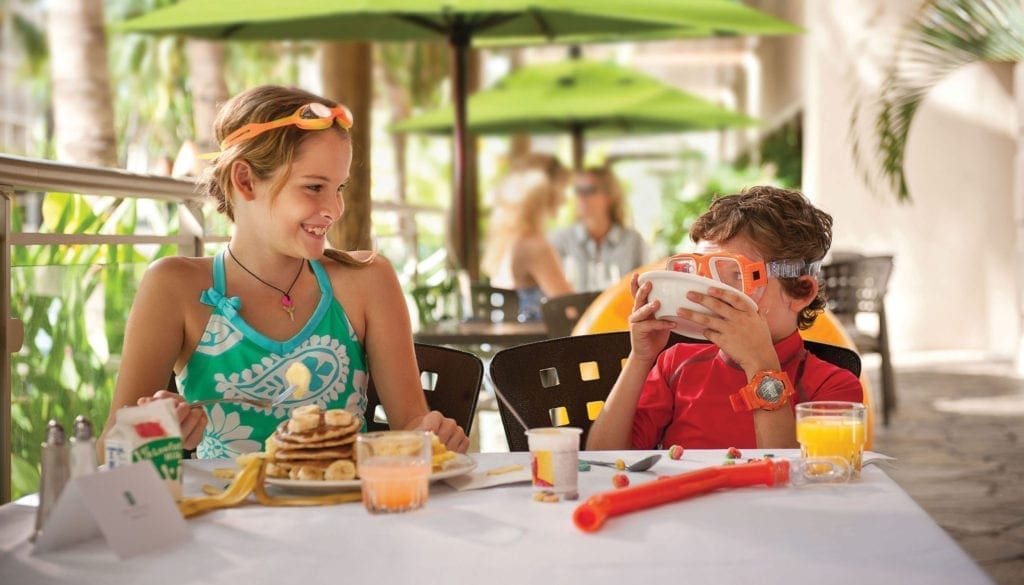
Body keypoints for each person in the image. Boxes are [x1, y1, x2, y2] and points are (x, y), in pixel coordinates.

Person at [99, 85, 469, 458]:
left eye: (338, 188)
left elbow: (411, 426)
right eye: (313, 187)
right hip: (228, 512)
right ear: (244, 181)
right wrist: (155, 431)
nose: (334, 208)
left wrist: (430, 434)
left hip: (347, 511)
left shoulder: (369, 278)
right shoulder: (174, 287)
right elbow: (109, 449)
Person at [586, 186, 863, 451]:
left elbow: (798, 482)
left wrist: (760, 365)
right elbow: (604, 457)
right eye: (700, 275)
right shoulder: (676, 365)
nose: (711, 293)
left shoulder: (833, 385)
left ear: (801, 292)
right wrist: (640, 359)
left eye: (735, 275)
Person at [482, 153, 574, 322]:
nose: (565, 199)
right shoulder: (534, 245)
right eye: (563, 188)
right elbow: (570, 309)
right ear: (546, 190)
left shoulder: (508, 239)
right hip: (532, 344)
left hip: (507, 342)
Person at [549, 166, 646, 291]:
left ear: (609, 196)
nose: (582, 197)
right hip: (576, 311)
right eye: (578, 190)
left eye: (589, 190)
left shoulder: (633, 241)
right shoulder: (560, 240)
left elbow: (644, 286)